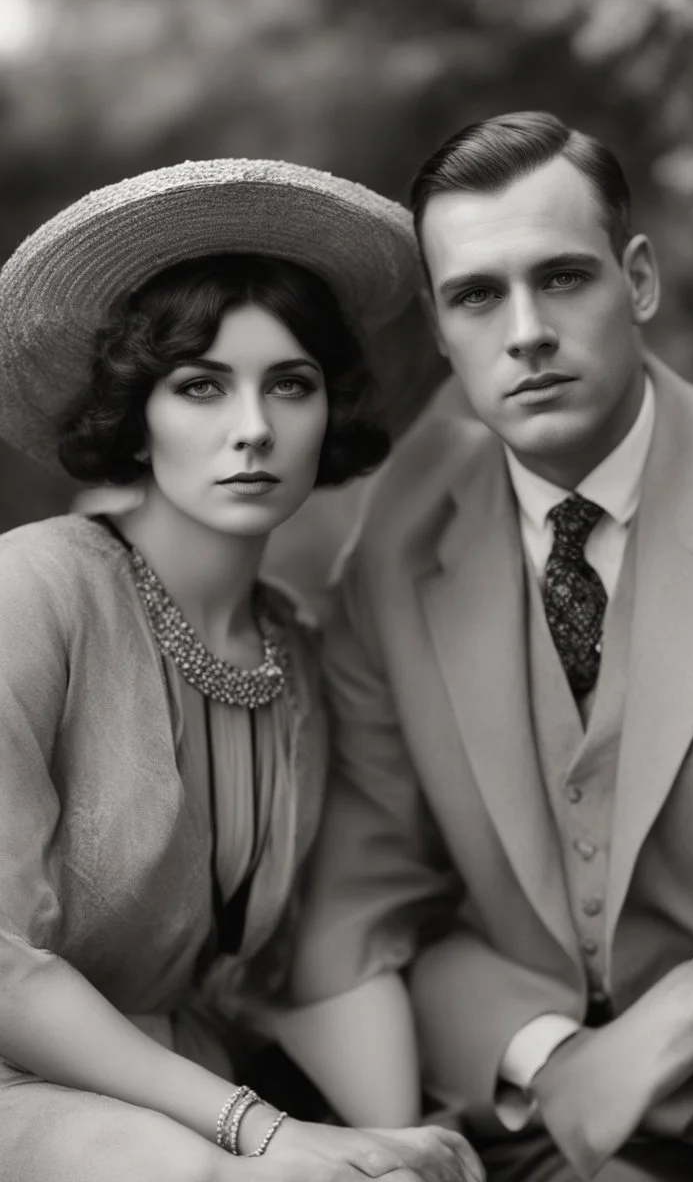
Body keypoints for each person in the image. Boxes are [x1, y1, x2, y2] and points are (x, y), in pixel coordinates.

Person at [287, 111, 693, 1181]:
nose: (524, 331)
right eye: (477, 296)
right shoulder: (393, 555)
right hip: (529, 1124)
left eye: (563, 278)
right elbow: (366, 901)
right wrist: (549, 1061)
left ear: (637, 282)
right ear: (440, 333)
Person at [0, 158, 484, 1182]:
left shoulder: (296, 653)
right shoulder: (31, 591)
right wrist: (265, 1134)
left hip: (179, 1090)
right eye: (201, 386)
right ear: (138, 410)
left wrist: (389, 1145)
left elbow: (308, 966)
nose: (253, 427)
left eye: (291, 385)